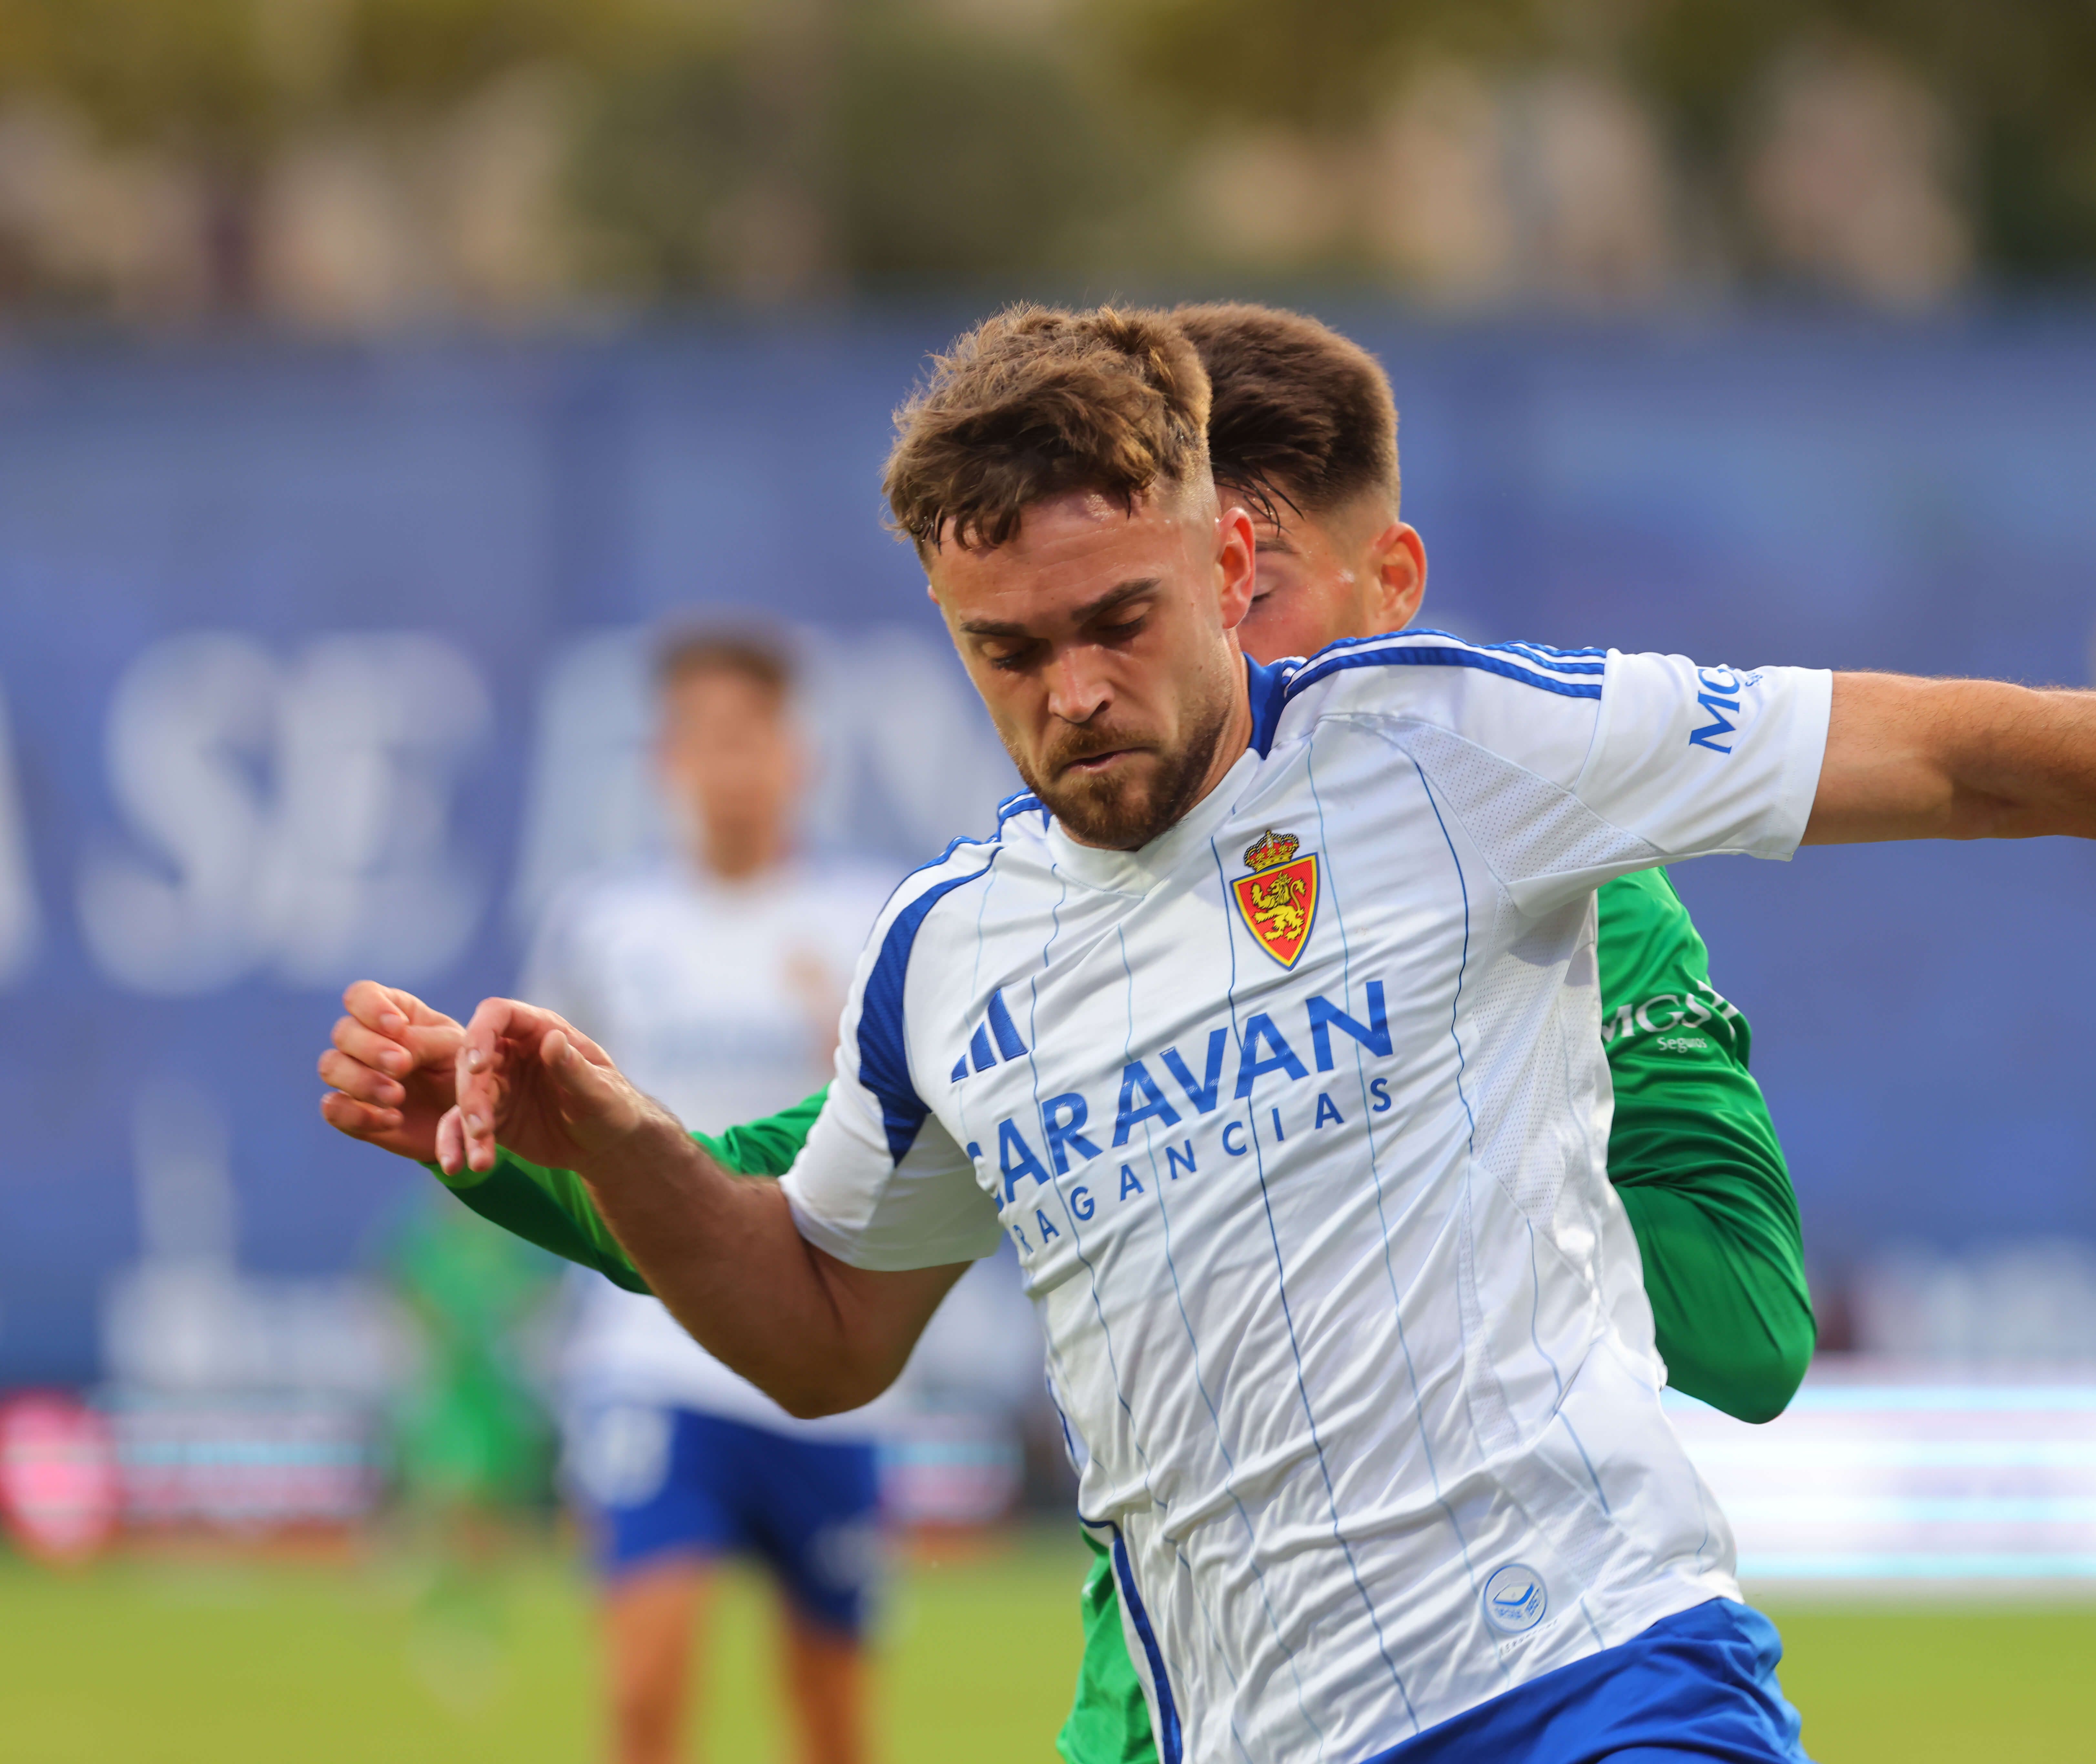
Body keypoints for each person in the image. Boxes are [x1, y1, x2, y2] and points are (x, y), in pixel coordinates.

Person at [329, 305, 2096, 1763]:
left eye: (1116, 620)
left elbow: (1970, 752)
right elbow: (825, 1324)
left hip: (1600, 1674)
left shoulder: (1463, 748)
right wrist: (597, 1133)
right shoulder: (949, 956)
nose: (1072, 691)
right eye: (1006, 653)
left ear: (1229, 563)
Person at [318, 305, 1814, 1764]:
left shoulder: (1561, 885)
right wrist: (523, 1141)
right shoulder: (1019, 940)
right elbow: (783, 1227)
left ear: (1388, 588)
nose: (1213, 645)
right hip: (1163, 1693)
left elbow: (1750, 1329)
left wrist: (1412, 1158)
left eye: (1257, 587)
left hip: (1535, 1655)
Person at [531, 628, 897, 1764]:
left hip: (822, 1362)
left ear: (799, 757)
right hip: (653, 1351)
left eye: (753, 738)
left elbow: (911, 1129)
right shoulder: (604, 930)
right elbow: (548, 1126)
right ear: (666, 762)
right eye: (705, 740)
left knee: (833, 1725)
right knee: (645, 1695)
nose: (730, 766)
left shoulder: (872, 922)